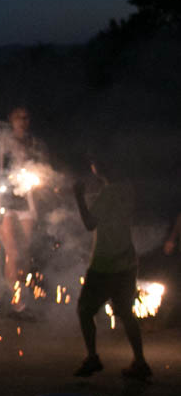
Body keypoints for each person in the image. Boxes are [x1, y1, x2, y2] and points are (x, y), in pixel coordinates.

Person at [72, 155, 151, 380]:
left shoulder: (108, 193)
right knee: (126, 312)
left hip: (105, 264)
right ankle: (140, 361)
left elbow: (90, 223)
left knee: (85, 310)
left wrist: (78, 197)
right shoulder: (127, 189)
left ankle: (92, 357)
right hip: (126, 261)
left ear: (99, 169)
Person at [0, 106, 49, 316]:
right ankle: (15, 302)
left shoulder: (35, 143)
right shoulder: (0, 141)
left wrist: (44, 182)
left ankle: (21, 297)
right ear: (11, 119)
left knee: (24, 251)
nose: (23, 120)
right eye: (19, 117)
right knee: (12, 251)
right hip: (4, 199)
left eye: (26, 117)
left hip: (25, 199)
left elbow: (44, 167)